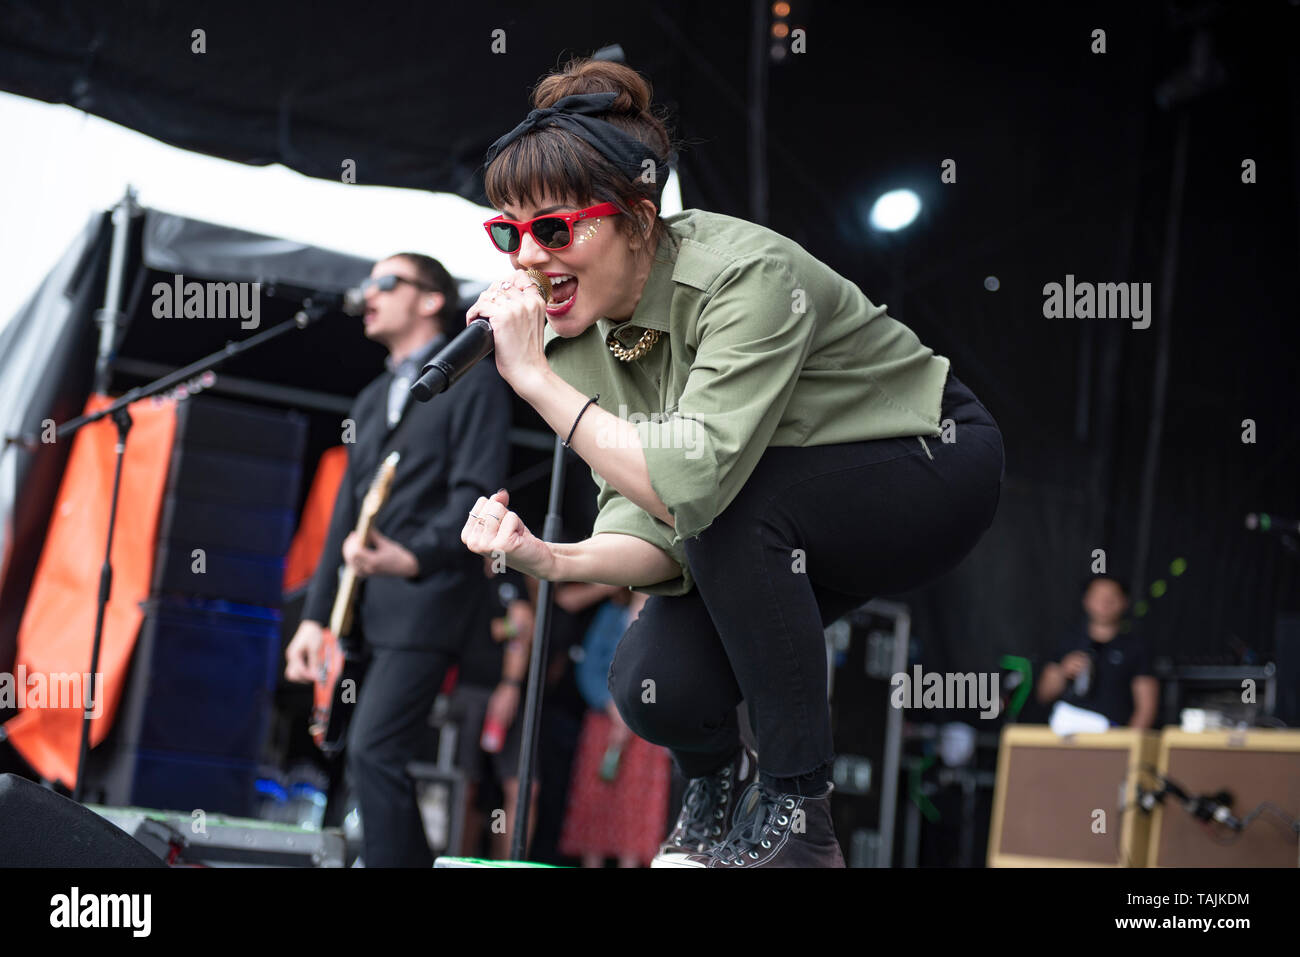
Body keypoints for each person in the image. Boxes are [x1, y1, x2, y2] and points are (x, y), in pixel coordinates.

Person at [457, 57, 1005, 868]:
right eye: (509, 233)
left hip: (931, 462)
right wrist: (550, 556)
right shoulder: (583, 339)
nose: (526, 259)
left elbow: (692, 484)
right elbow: (651, 523)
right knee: (656, 678)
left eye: (554, 229)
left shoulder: (744, 276)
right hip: (770, 504)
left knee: (727, 504)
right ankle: (716, 795)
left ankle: (798, 818)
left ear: (639, 218)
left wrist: (534, 381)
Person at [284, 253, 510, 867]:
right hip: (364, 610)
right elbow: (345, 515)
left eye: (386, 283)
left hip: (427, 602)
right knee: (358, 755)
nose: (369, 295)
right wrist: (314, 617)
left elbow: (477, 493)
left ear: (431, 299)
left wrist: (410, 557)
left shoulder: (473, 381)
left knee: (374, 751)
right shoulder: (372, 396)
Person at [451, 559, 540, 859]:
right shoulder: (458, 567)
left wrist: (510, 683)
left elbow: (522, 625)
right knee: (462, 786)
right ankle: (455, 860)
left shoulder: (509, 574)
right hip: (459, 691)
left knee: (520, 788)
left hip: (499, 690)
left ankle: (509, 864)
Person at [1037, 574, 1158, 729]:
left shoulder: (1136, 647)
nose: (1104, 603)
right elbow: (1043, 695)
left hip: (1111, 731)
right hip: (1067, 730)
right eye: (1098, 597)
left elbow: (1146, 707)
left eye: (1111, 597)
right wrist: (1063, 671)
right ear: (1086, 600)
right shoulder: (1068, 641)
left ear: (1124, 602)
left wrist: (1130, 744)